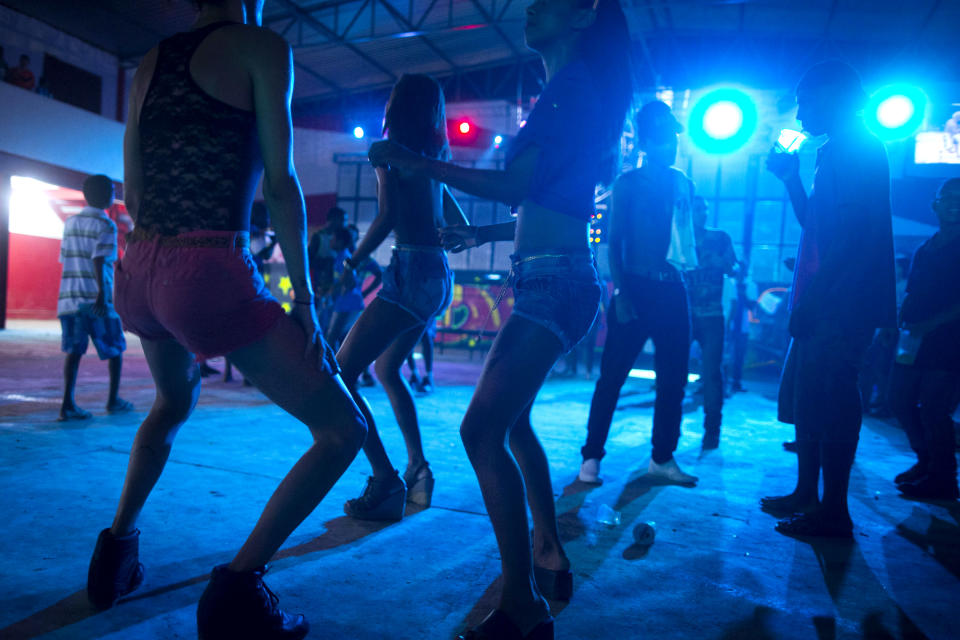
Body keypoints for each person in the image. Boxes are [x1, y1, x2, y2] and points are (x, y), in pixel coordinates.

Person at [86, 4, 366, 640]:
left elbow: (135, 182)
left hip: (140, 271)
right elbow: (280, 182)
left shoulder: (153, 59)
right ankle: (239, 591)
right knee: (342, 430)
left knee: (171, 403)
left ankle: (114, 556)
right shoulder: (260, 47)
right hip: (206, 271)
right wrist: (306, 300)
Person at [369, 0, 633, 636]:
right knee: (512, 426)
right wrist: (482, 231)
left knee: (480, 431)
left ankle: (522, 605)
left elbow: (519, 186)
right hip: (549, 275)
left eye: (547, 3)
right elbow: (548, 197)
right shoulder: (573, 90)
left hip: (555, 283)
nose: (530, 9)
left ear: (581, 16)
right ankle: (547, 547)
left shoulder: (572, 86)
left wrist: (417, 162)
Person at [761, 60, 897, 539]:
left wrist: (813, 299)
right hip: (827, 299)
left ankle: (833, 511)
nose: (800, 116)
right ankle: (808, 495)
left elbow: (852, 240)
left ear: (834, 97)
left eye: (806, 101)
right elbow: (817, 228)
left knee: (833, 400)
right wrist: (790, 179)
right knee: (810, 398)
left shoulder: (858, 150)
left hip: (841, 303)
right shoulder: (836, 152)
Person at [337, 73, 466, 522]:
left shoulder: (384, 151)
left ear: (396, 106)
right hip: (438, 276)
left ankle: (386, 479)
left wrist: (352, 263)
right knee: (388, 368)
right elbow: (456, 222)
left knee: (341, 373)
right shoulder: (435, 155)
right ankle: (419, 469)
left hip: (409, 270)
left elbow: (388, 214)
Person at [578, 99, 700, 485]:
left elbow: (687, 243)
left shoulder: (684, 182)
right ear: (646, 141)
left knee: (673, 380)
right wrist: (624, 295)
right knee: (612, 377)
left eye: (675, 137)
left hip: (674, 291)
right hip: (636, 287)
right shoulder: (627, 184)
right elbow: (614, 245)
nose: (673, 144)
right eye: (665, 137)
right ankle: (591, 458)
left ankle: (662, 457)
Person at [888, 178, 960, 501]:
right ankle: (926, 461)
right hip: (914, 339)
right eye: (947, 197)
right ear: (935, 204)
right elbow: (913, 292)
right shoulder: (925, 247)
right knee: (899, 399)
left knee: (933, 407)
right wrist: (897, 321)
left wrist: (931, 323)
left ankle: (943, 478)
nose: (953, 202)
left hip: (949, 342)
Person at [57, 174, 133, 421]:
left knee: (74, 352)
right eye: (111, 190)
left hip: (69, 298)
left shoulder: (69, 224)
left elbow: (65, 257)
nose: (113, 194)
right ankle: (113, 400)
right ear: (105, 196)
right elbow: (100, 260)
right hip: (95, 299)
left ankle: (67, 404)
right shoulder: (106, 225)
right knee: (115, 348)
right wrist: (102, 295)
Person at [687, 195, 737, 448]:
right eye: (697, 210)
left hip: (711, 315)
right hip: (682, 314)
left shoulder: (720, 238)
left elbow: (736, 268)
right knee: (672, 374)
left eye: (705, 210)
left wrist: (724, 263)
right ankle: (667, 433)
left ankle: (712, 431)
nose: (703, 214)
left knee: (712, 374)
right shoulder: (678, 239)